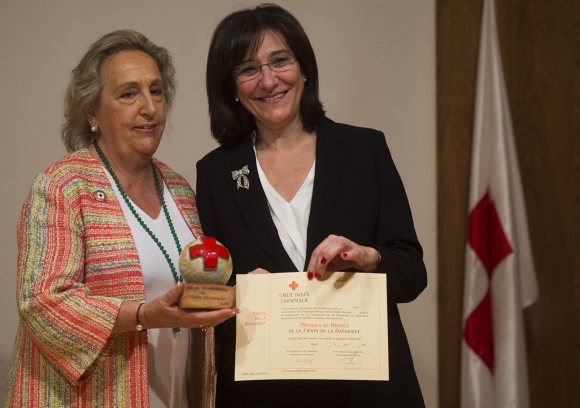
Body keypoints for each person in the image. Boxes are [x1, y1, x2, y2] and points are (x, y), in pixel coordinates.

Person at [196, 4, 427, 408]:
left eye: (280, 60)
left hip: (365, 391)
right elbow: (207, 293)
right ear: (231, 87)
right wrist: (241, 293)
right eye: (248, 69)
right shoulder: (215, 172)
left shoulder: (364, 150)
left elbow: (413, 273)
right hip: (263, 394)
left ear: (303, 67)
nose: (268, 80)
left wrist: (370, 258)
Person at [5, 30, 237, 408]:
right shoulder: (63, 186)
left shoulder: (178, 188)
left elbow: (196, 283)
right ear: (92, 111)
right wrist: (143, 315)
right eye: (129, 94)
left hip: (174, 394)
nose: (149, 107)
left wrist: (242, 292)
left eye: (156, 91)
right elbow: (42, 304)